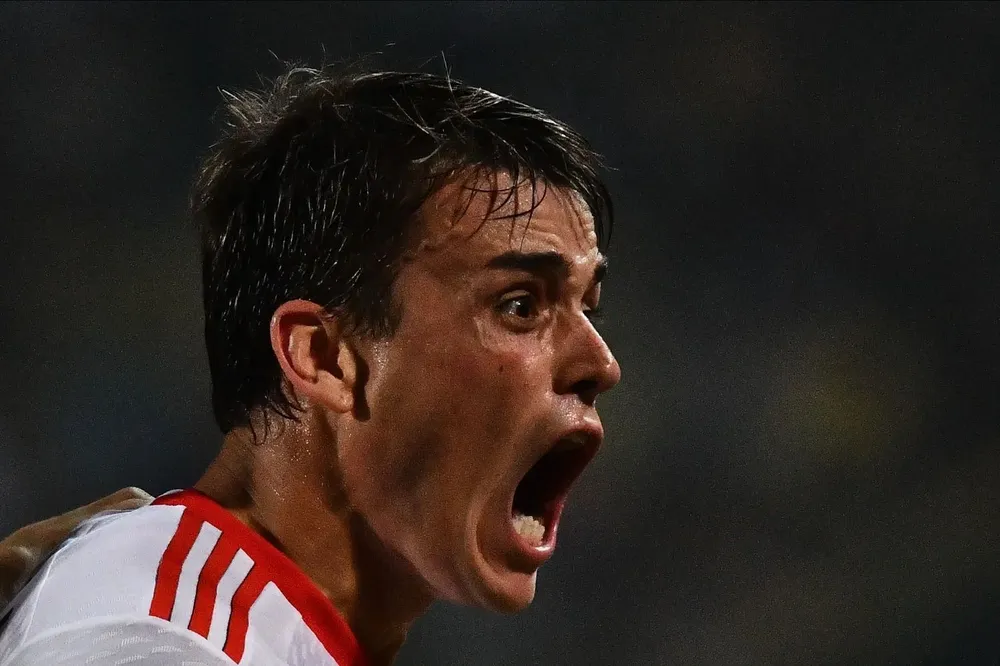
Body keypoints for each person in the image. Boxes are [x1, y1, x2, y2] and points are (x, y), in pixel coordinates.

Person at [0, 64, 620, 666]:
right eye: (520, 305)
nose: (602, 363)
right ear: (324, 357)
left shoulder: (251, 622)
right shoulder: (158, 641)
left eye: (587, 307)